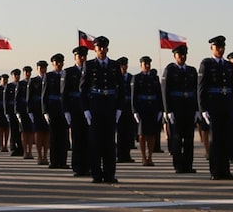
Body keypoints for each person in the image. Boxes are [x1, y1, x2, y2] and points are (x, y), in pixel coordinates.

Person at [80, 35, 122, 184]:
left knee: (110, 143)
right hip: (95, 107)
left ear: (107, 49)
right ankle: (97, 174)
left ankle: (109, 174)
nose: (102, 50)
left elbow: (121, 89)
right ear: (95, 49)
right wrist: (86, 109)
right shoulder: (89, 65)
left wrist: (119, 108)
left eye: (104, 48)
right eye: (99, 48)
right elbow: (83, 89)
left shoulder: (114, 65)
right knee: (96, 142)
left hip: (110, 106)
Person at [198, 36, 233, 181]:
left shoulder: (228, 65)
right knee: (215, 141)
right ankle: (215, 171)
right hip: (213, 107)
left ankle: (225, 170)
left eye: (222, 47)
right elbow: (201, 88)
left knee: (226, 139)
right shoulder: (206, 64)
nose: (220, 50)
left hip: (227, 105)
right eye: (217, 47)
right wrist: (203, 109)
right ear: (212, 48)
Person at [161, 44, 197, 174]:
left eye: (184, 54)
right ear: (175, 56)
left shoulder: (192, 71)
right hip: (175, 109)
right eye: (179, 55)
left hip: (189, 109)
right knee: (176, 139)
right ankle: (178, 165)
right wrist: (167, 110)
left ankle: (188, 165)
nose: (182, 57)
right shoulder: (170, 70)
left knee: (189, 139)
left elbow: (195, 91)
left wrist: (197, 109)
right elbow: (165, 91)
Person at [62, 45, 90, 177]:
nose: (82, 58)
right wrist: (66, 111)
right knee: (77, 140)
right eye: (80, 56)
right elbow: (64, 93)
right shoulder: (69, 72)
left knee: (88, 139)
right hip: (75, 110)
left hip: (88, 110)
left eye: (84, 56)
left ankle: (88, 166)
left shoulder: (90, 70)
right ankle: (78, 167)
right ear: (75, 57)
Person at [131, 55, 163, 167]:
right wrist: (135, 111)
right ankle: (144, 157)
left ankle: (150, 157)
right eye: (145, 64)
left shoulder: (154, 78)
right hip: (142, 109)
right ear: (141, 65)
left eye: (149, 64)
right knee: (142, 134)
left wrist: (160, 109)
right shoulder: (137, 78)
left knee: (152, 134)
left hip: (152, 108)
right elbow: (133, 96)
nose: (147, 66)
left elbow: (159, 94)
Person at [44, 53, 69, 169]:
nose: (58, 64)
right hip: (53, 109)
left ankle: (63, 161)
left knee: (64, 137)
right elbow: (44, 94)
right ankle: (53, 161)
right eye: (56, 62)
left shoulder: (66, 74)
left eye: (60, 62)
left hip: (64, 109)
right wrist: (45, 111)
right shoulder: (48, 76)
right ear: (53, 63)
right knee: (53, 137)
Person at [27, 60, 49, 165]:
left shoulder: (49, 78)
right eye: (40, 67)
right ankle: (39, 156)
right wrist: (29, 111)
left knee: (47, 133)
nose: (42, 69)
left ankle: (45, 156)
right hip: (36, 110)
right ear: (37, 69)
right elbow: (29, 97)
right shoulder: (33, 81)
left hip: (47, 110)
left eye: (44, 67)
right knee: (39, 133)